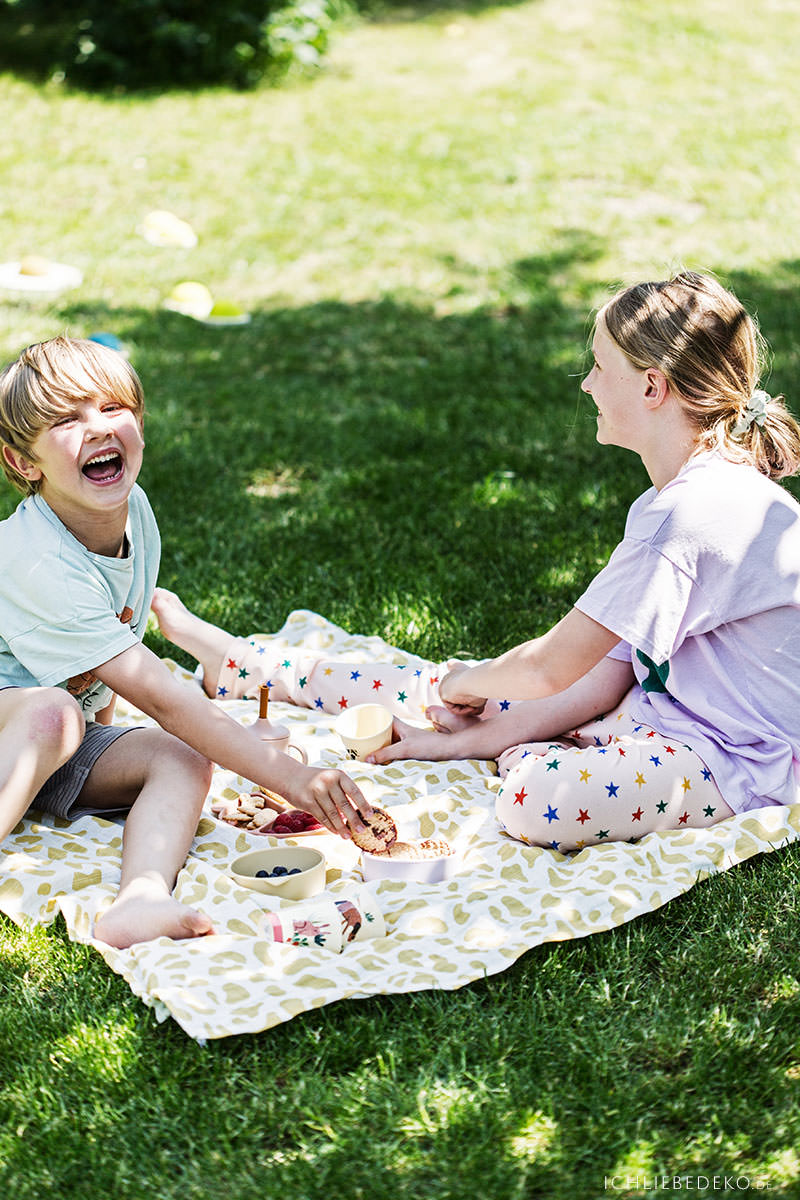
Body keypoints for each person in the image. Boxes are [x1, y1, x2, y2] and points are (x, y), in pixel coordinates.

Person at [154, 271, 800, 852]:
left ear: (652, 386)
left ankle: (538, 747)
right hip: (651, 710)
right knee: (434, 691)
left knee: (535, 796)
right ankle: (246, 666)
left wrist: (471, 693)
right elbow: (608, 669)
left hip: (737, 758)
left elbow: (551, 668)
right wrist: (474, 728)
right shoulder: (682, 499)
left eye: (600, 367)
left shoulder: (688, 518)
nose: (586, 383)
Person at [0, 337, 370, 950]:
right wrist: (289, 778)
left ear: (139, 424)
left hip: (44, 747)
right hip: (28, 725)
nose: (97, 428)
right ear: (23, 464)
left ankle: (140, 898)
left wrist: (120, 738)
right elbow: (160, 692)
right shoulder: (35, 561)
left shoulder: (132, 512)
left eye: (112, 408)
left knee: (181, 755)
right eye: (67, 419)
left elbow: (115, 674)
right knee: (53, 712)